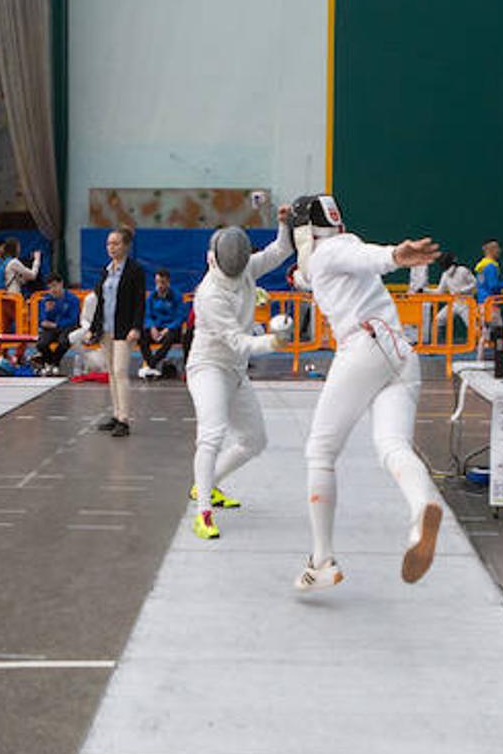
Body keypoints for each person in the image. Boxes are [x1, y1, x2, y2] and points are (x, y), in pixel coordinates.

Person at [288, 194, 443, 591]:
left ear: (306, 231)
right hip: (401, 354)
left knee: (320, 452)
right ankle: (420, 509)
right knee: (392, 445)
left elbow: (370, 258)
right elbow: (314, 271)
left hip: (363, 347)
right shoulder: (335, 251)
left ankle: (322, 559)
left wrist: (396, 255)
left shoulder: (333, 251)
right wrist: (297, 276)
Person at [187, 216, 294, 540]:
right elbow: (237, 340)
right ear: (215, 259)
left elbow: (280, 251)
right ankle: (203, 513)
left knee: (254, 440)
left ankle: (207, 482)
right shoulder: (209, 294)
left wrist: (284, 224)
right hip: (208, 367)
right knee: (212, 434)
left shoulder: (246, 267)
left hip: (235, 371)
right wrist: (273, 342)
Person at [87, 227, 146, 436]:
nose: (111, 247)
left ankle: (124, 419)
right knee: (111, 373)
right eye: (109, 244)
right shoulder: (106, 270)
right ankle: (115, 414)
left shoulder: (135, 270)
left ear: (126, 246)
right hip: (106, 329)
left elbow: (139, 302)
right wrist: (93, 328)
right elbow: (100, 303)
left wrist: (136, 327)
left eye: (116, 243)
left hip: (124, 329)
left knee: (121, 372)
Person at [138, 269, 186, 378]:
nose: (159, 285)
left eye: (162, 282)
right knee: (141, 335)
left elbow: (180, 317)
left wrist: (167, 329)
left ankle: (151, 364)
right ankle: (152, 364)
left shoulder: (177, 296)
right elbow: (147, 315)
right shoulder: (151, 296)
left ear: (168, 282)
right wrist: (152, 327)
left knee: (170, 337)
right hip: (155, 328)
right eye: (157, 282)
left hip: (170, 329)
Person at [33, 274, 80, 373]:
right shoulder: (46, 300)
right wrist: (48, 312)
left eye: (54, 286)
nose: (52, 290)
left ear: (61, 283)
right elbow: (42, 319)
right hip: (51, 328)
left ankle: (54, 362)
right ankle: (51, 362)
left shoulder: (72, 299)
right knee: (41, 344)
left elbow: (73, 319)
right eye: (49, 288)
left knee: (64, 341)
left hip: (67, 327)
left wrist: (57, 324)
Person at [430, 253, 477, 342]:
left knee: (473, 327)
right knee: (437, 320)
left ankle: (479, 346)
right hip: (454, 304)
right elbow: (439, 291)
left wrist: (462, 291)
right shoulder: (445, 275)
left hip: (467, 304)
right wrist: (425, 290)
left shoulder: (463, 270)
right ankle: (435, 345)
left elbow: (475, 283)